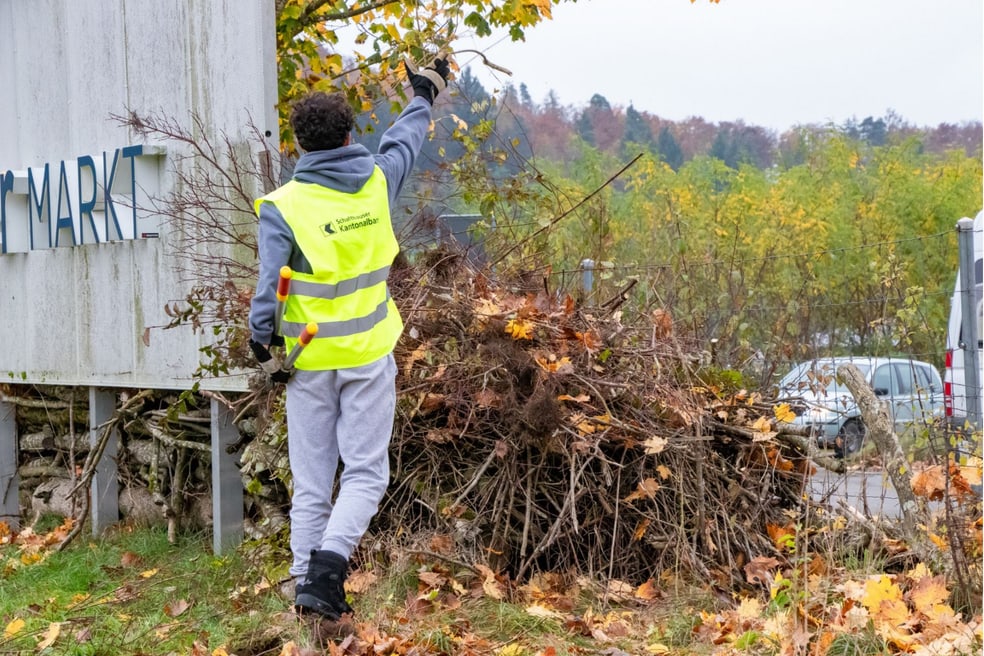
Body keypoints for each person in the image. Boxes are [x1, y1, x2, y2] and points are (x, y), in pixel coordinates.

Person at [247, 56, 450, 620]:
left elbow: (268, 289)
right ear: (346, 135)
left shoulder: (284, 207)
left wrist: (260, 341)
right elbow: (404, 139)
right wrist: (423, 94)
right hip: (368, 355)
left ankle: (304, 588)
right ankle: (327, 573)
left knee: (312, 483)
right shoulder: (378, 183)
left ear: (298, 144)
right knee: (364, 474)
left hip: (309, 360)